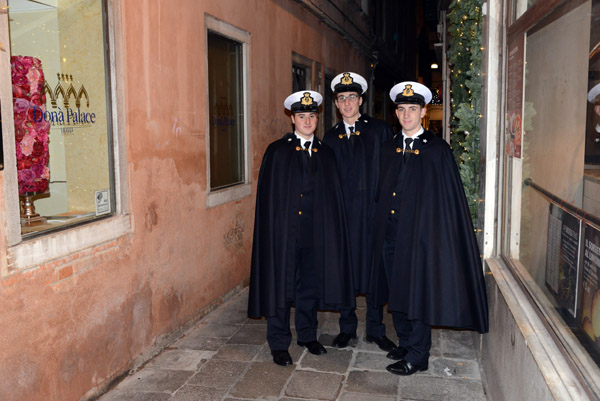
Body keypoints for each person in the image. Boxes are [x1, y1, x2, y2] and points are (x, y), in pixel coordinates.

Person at [371, 81, 489, 376]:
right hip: (390, 234)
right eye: (401, 109)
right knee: (395, 290)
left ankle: (418, 355)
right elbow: (381, 192)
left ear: (423, 112)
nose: (406, 115)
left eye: (413, 109)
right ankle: (406, 342)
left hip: (420, 238)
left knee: (417, 293)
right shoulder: (388, 148)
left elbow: (446, 202)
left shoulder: (437, 151)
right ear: (396, 113)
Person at [248, 90, 354, 367]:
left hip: (315, 235)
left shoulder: (326, 154)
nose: (307, 121)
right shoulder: (277, 151)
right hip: (284, 235)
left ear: (316, 119)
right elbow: (268, 201)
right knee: (281, 286)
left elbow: (333, 200)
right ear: (292, 118)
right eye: (301, 116)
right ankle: (279, 342)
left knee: (308, 286)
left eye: (312, 116)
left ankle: (307, 335)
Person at [323, 72, 396, 352]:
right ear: (337, 104)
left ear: (361, 100)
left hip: (375, 217)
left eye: (352, 97)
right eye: (342, 98)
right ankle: (347, 328)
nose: (347, 102)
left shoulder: (379, 132)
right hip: (344, 220)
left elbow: (391, 172)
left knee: (376, 271)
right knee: (346, 271)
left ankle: (376, 329)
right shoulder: (331, 138)